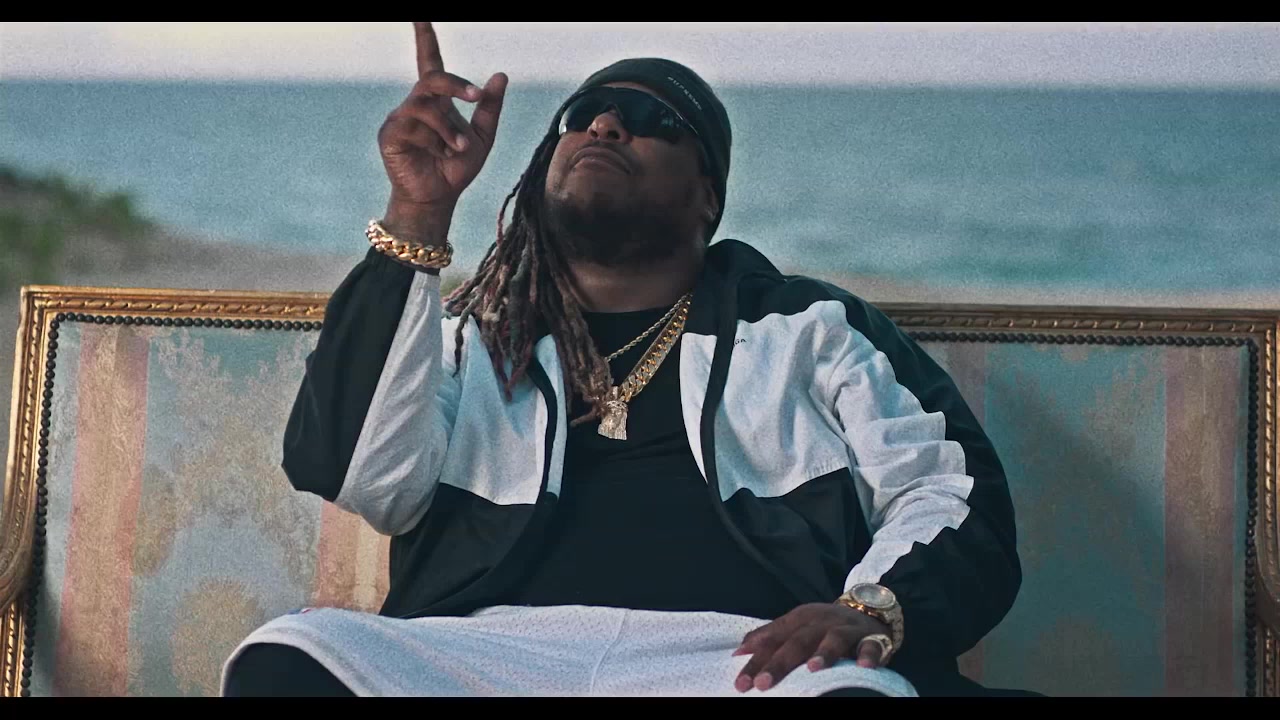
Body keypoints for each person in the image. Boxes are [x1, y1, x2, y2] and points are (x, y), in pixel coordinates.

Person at [221, 22, 1028, 698]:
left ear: (707, 196)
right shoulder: (472, 335)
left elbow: (944, 488)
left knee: (846, 694)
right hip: (487, 658)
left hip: (741, 661)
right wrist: (417, 213)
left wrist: (869, 608)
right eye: (583, 114)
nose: (606, 125)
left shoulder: (807, 329)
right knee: (288, 658)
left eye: (652, 118)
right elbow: (360, 476)